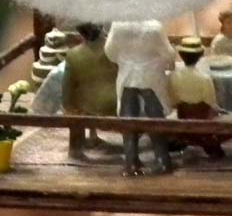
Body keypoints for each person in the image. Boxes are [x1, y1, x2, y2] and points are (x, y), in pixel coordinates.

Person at [104, 20, 176, 176]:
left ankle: (130, 161)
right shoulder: (155, 28)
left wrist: (126, 60)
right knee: (156, 117)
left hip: (127, 75)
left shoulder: (118, 25)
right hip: (151, 76)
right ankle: (162, 159)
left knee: (128, 118)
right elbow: (169, 54)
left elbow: (109, 52)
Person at [62, 22, 118, 159]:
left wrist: (67, 106)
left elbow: (67, 87)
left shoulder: (73, 55)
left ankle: (75, 148)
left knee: (76, 100)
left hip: (90, 106)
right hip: (117, 102)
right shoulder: (114, 49)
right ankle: (93, 137)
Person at [169, 35, 230, 158]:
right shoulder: (204, 78)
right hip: (204, 119)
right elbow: (211, 103)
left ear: (181, 55)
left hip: (182, 116)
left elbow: (173, 101)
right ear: (200, 55)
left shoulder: (173, 76)